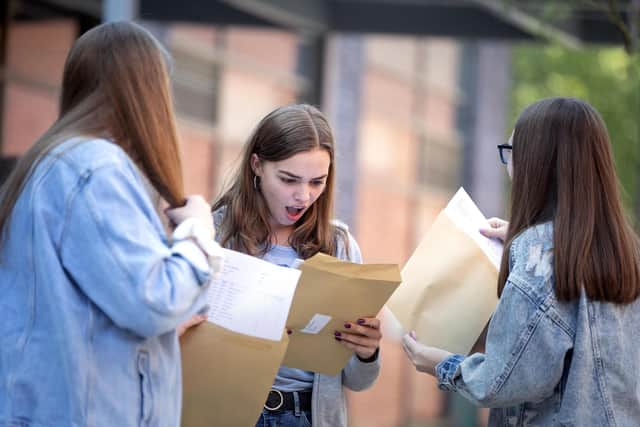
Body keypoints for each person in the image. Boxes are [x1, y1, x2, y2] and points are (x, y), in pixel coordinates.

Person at [0, 22, 223, 426]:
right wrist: (197, 232)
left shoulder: (47, 164)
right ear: (147, 92)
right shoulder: (96, 169)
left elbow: (72, 318)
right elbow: (154, 300)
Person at [402, 97, 640, 426]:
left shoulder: (538, 255)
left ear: (537, 163)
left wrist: (441, 365)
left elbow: (503, 380)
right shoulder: (626, 251)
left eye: (511, 152)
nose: (509, 165)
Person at [211, 104, 381, 427]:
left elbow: (358, 381)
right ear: (257, 165)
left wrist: (366, 352)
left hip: (308, 417)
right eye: (289, 179)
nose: (303, 196)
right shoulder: (214, 235)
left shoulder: (340, 246)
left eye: (317, 182)